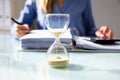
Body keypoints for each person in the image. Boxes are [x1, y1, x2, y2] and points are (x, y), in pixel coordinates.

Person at [11, 0, 113, 41]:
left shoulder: (83, 1)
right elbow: (19, 25)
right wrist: (17, 30)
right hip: (45, 51)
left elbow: (89, 29)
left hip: (78, 51)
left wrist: (99, 31)